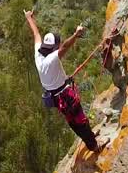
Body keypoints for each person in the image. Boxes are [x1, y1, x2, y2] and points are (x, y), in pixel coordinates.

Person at [26, 9, 106, 152]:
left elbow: (36, 34)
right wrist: (76, 35)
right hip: (64, 95)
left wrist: (29, 18)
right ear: (55, 46)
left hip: (55, 96)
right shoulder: (52, 59)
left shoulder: (38, 54)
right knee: (79, 119)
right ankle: (94, 145)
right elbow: (65, 47)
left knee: (73, 119)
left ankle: (89, 137)